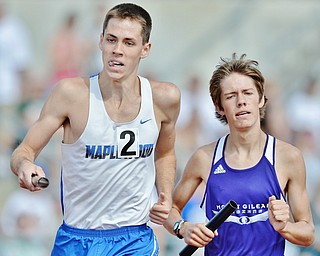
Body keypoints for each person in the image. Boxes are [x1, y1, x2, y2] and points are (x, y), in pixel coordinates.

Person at [10, 3, 180, 256]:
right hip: (77, 238)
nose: (117, 50)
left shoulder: (164, 98)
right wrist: (25, 165)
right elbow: (24, 151)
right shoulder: (70, 94)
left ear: (145, 49)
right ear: (100, 41)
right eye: (111, 40)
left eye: (128, 43)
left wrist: (165, 195)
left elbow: (164, 153)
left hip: (134, 239)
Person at [164, 53, 314, 255]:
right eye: (231, 96)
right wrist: (183, 227)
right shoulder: (204, 158)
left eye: (248, 93)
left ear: (261, 99)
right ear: (219, 107)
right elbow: (169, 211)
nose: (241, 101)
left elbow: (307, 232)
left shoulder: (288, 157)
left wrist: (284, 226)